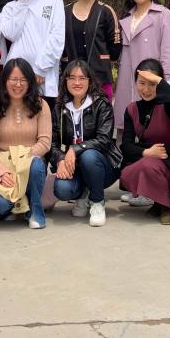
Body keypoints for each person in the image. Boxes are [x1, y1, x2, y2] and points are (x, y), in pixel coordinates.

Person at [49, 60, 122, 226]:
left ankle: (97, 202)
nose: (77, 82)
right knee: (62, 189)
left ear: (89, 81)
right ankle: (84, 193)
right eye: (72, 78)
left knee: (88, 156)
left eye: (82, 78)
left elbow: (104, 140)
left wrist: (75, 149)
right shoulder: (60, 108)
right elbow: (52, 144)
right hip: (76, 167)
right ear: (65, 80)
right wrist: (60, 159)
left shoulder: (101, 103)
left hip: (103, 166)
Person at [0, 58, 52, 229]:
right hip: (3, 167)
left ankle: (35, 212)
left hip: (29, 164)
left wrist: (20, 161)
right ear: (5, 81)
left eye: (23, 80)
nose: (18, 84)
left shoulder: (41, 105)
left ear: (30, 82)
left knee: (37, 165)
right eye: (13, 79)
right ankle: (15, 205)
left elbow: (45, 142)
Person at [119, 59, 170, 225]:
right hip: (148, 156)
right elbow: (126, 145)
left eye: (152, 84)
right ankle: (158, 202)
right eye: (142, 83)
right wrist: (146, 152)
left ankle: (167, 206)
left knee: (148, 166)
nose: (146, 90)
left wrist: (161, 82)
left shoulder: (169, 105)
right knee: (128, 172)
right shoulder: (131, 109)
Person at [0, 0, 65, 108]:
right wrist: (22, 4)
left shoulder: (53, 0)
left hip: (43, 75)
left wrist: (41, 69)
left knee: (42, 116)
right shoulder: (10, 7)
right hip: (15, 75)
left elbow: (57, 37)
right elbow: (11, 34)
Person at [114, 0, 170, 131]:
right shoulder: (126, 17)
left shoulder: (163, 14)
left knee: (151, 126)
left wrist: (167, 81)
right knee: (126, 124)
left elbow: (167, 50)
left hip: (151, 78)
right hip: (126, 78)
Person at [62, 0, 122, 102]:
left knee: (102, 113)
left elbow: (115, 46)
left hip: (100, 78)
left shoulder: (106, 11)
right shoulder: (64, 12)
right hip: (71, 79)